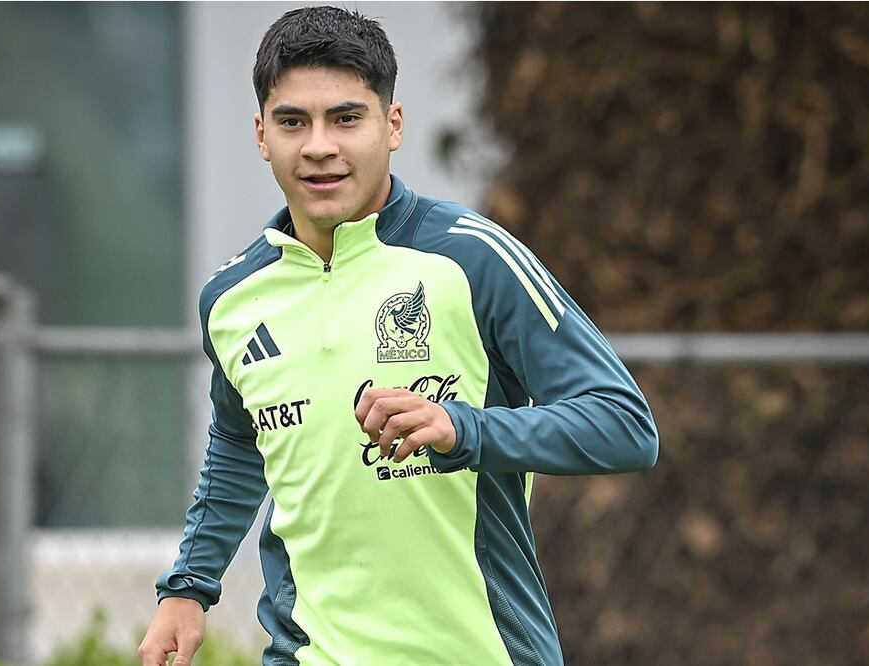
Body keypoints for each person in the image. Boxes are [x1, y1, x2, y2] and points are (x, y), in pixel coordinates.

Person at [138, 6, 658, 665]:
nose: (319, 146)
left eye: (347, 118)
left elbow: (625, 427)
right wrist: (189, 586)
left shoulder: (474, 260)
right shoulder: (232, 298)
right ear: (262, 135)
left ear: (393, 126)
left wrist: (464, 431)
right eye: (293, 121)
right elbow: (241, 445)